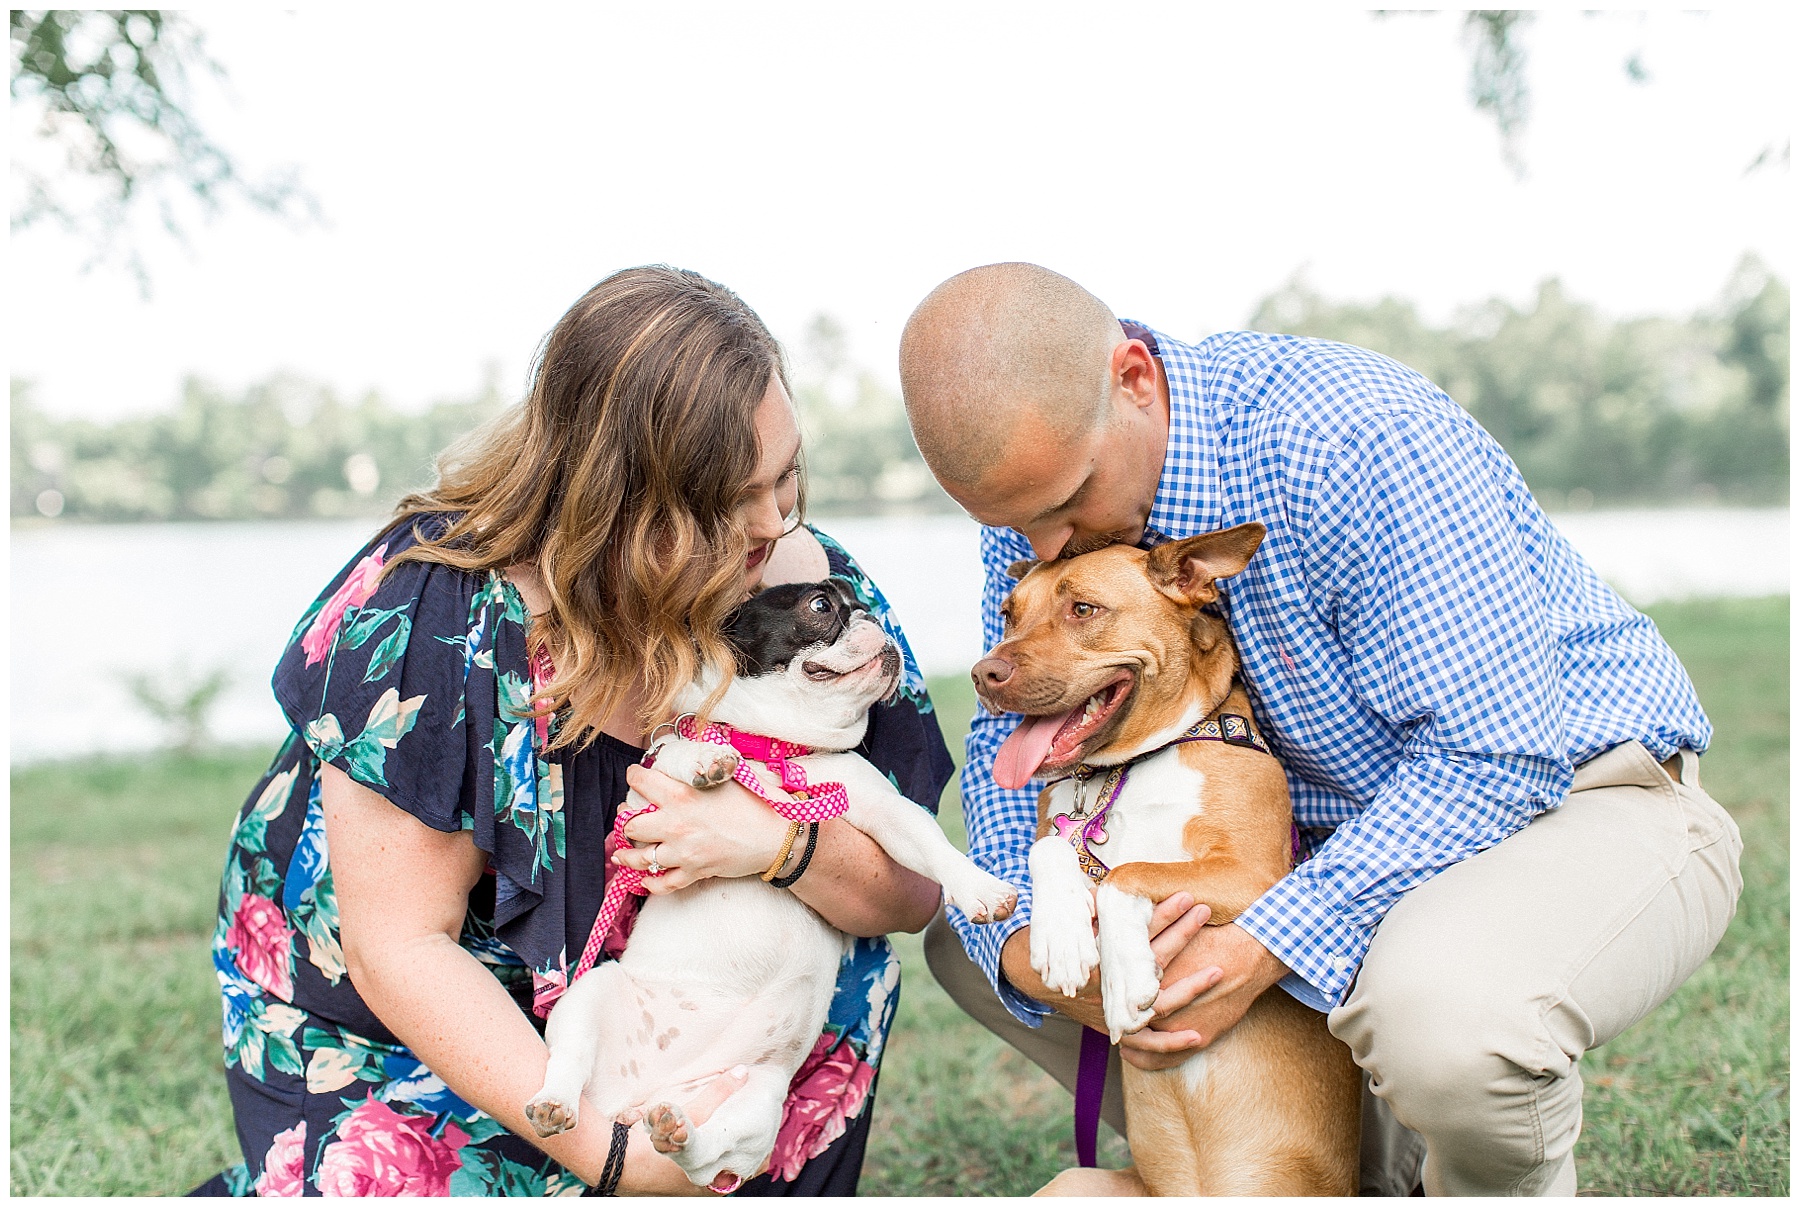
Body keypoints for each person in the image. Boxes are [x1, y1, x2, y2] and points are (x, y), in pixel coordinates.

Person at [898, 262, 1743, 1196]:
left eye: (1064, 506)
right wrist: (1026, 941)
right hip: (1322, 845)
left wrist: (1263, 942)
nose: (1051, 548)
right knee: (978, 938)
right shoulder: (1041, 502)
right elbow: (1006, 739)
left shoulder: (1354, 436)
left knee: (1441, 1018)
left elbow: (1498, 756)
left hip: (1573, 796)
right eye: (1016, 529)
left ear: (1133, 378)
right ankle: (1283, 1144)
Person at [200, 266, 955, 1196]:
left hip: (709, 1030)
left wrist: (784, 846)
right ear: (619, 507)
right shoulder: (439, 614)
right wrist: (613, 1160)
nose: (773, 522)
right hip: (424, 1038)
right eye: (730, 502)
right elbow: (400, 947)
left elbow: (914, 893)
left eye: (787, 475)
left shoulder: (815, 604)